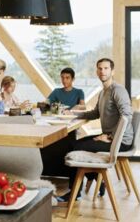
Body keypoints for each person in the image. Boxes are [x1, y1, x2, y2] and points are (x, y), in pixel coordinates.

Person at [57, 58, 134, 203]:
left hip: (120, 141)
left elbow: (126, 116)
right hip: (110, 137)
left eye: (106, 68)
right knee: (73, 144)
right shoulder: (103, 92)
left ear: (112, 71)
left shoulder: (118, 90)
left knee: (75, 147)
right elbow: (95, 113)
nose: (102, 71)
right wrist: (74, 113)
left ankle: (75, 192)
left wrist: (110, 136)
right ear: (97, 71)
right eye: (100, 68)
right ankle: (97, 177)